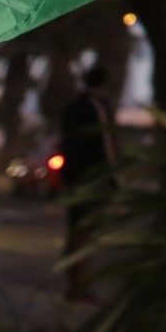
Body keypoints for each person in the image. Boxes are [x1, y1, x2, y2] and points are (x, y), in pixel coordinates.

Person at [58, 63, 119, 302]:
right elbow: (103, 146)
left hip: (80, 177)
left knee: (79, 231)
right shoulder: (92, 109)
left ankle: (76, 283)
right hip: (90, 179)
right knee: (84, 233)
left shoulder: (76, 107)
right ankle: (79, 286)